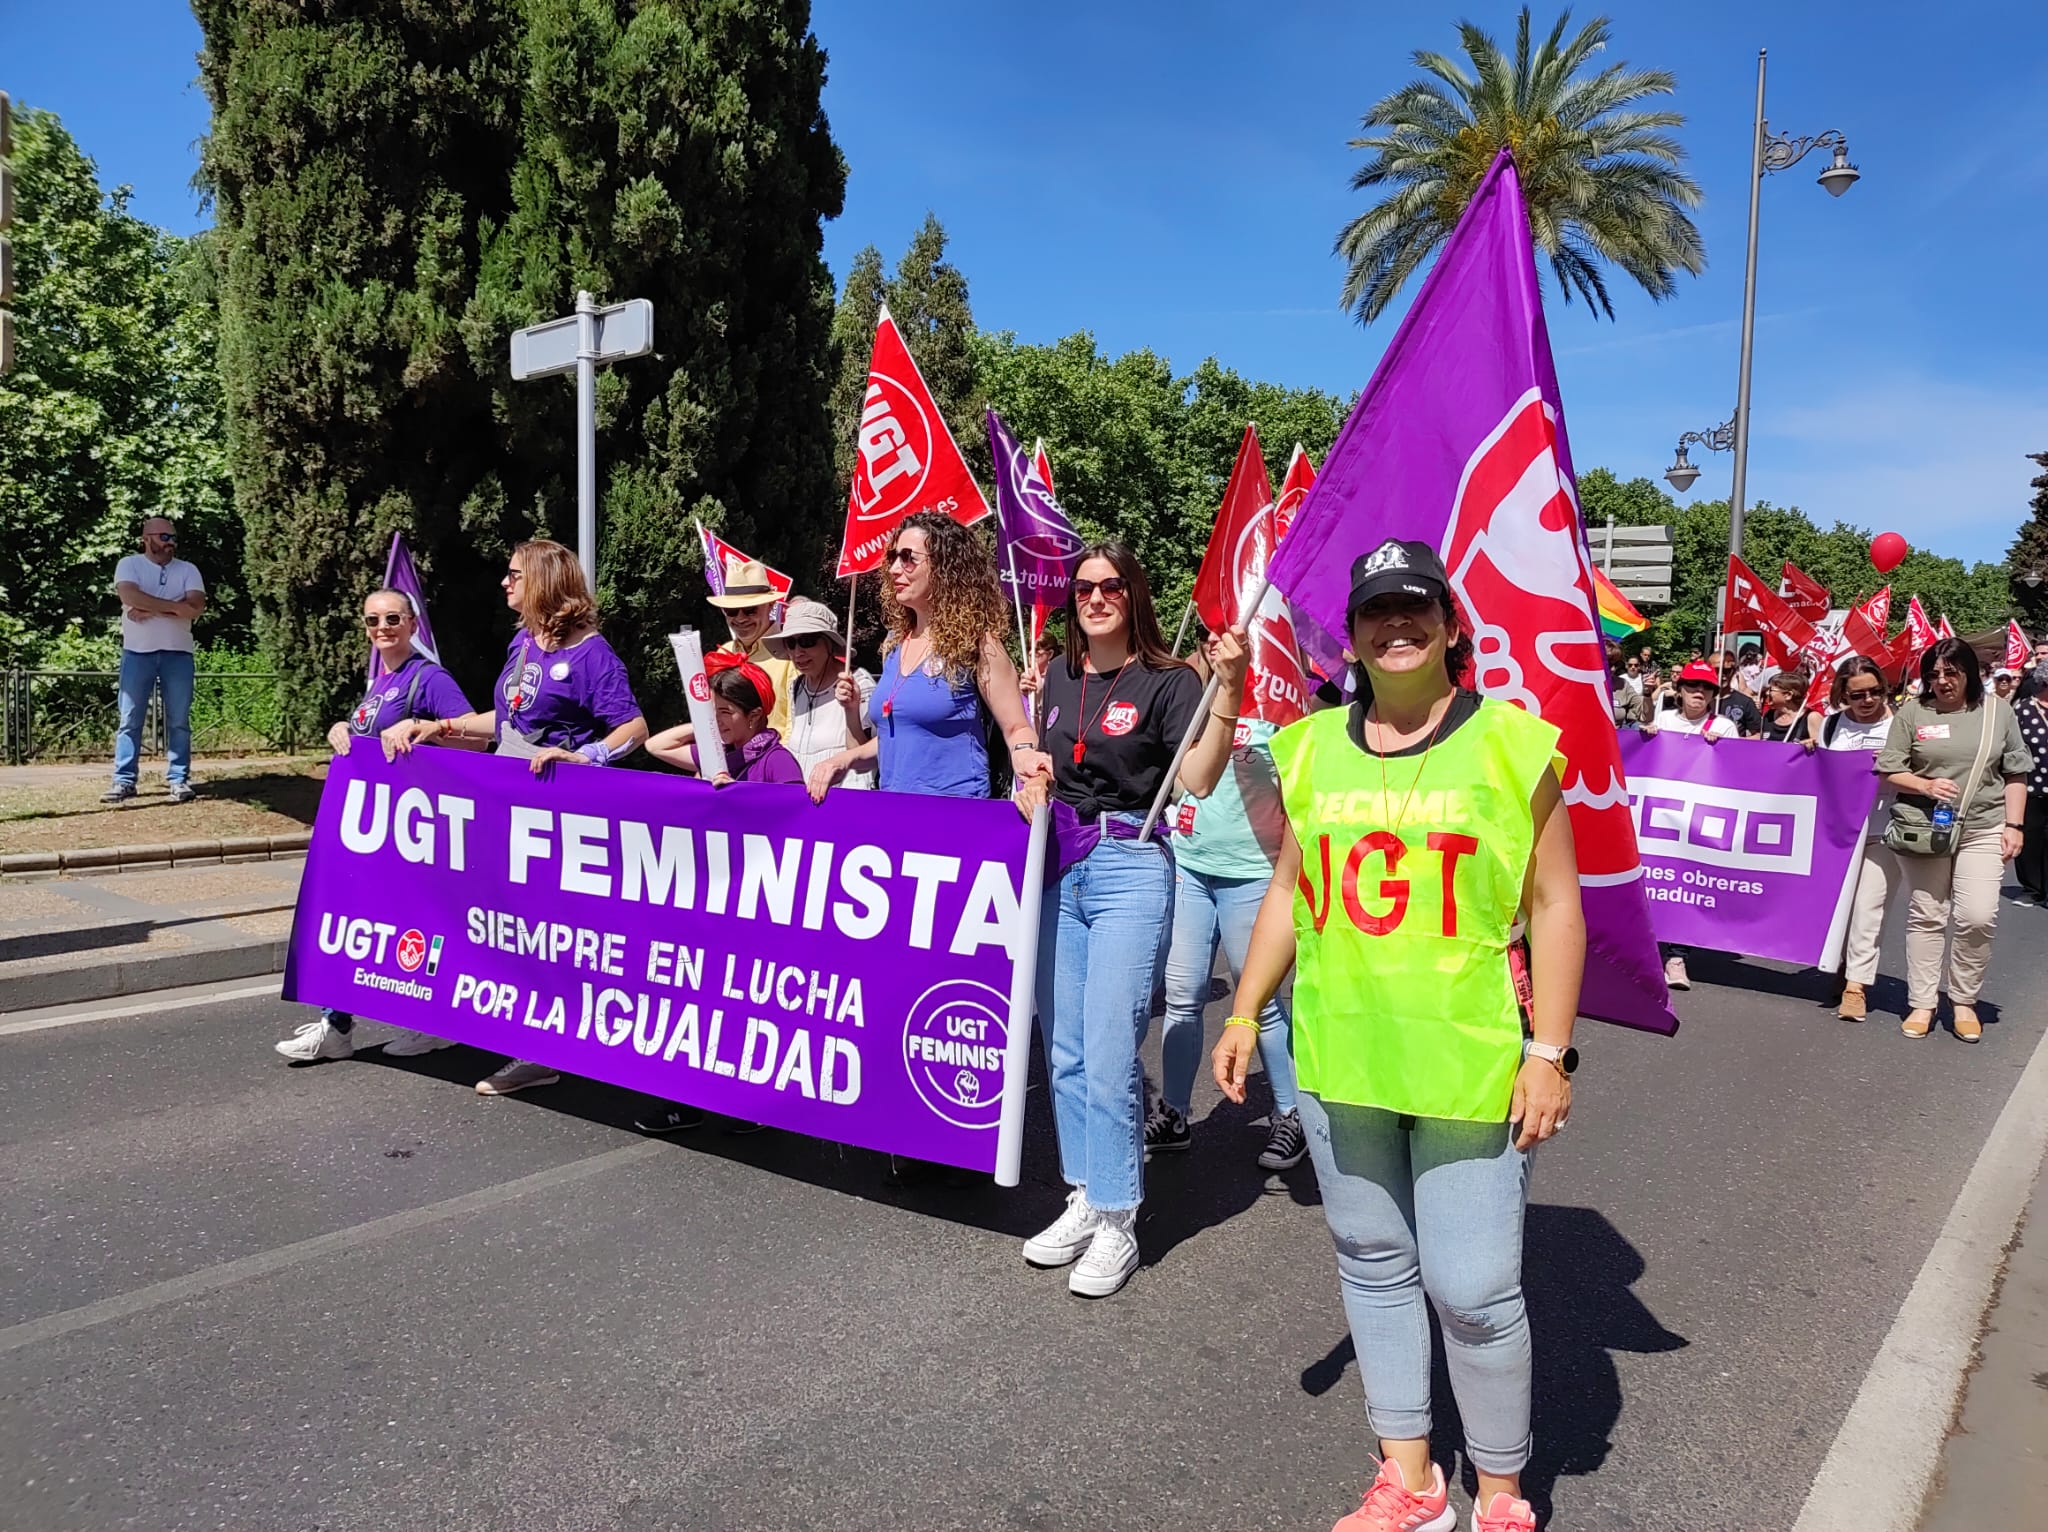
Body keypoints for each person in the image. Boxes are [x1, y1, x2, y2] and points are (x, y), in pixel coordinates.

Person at [1215, 539, 1581, 1532]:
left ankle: (1500, 1489)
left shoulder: (1512, 742)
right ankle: (1410, 1478)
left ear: (1451, 623)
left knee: (1471, 1283)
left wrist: (1546, 1052)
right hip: (1343, 1050)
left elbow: (1552, 904)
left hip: (1469, 1055)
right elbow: (1289, 890)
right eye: (1376, 609)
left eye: (1415, 605)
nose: (1396, 624)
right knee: (1372, 1257)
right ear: (1354, 633)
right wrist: (1246, 1007)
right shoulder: (1306, 748)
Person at [1013, 542, 1247, 1299]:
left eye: (1112, 586)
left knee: (1113, 1048)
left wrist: (1230, 689)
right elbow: (1043, 762)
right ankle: (1085, 1192)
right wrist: (1030, 774)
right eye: (1084, 588)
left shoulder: (1170, 679)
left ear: (1134, 595)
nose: (1097, 597)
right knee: (1068, 1052)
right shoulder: (1053, 675)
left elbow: (1202, 778)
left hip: (1130, 864)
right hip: (1060, 864)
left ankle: (1119, 1217)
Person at [388, 539, 649, 1094]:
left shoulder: (591, 653)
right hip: (509, 813)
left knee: (549, 932)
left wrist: (586, 755)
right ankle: (525, 1034)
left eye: (514, 575)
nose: (505, 584)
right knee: (508, 927)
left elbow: (633, 729)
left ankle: (544, 1051)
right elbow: (507, 724)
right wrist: (442, 728)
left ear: (545, 581)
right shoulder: (522, 644)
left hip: (561, 818)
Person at [277, 588, 478, 1062]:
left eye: (392, 618)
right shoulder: (380, 682)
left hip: (417, 827)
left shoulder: (428, 678)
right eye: (372, 620)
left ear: (412, 624)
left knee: (416, 923)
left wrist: (422, 730)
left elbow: (472, 738)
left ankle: (430, 1021)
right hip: (374, 828)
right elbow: (367, 741)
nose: (382, 628)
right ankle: (336, 1025)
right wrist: (341, 730)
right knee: (353, 919)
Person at [1151, 629, 1303, 1172]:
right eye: (1210, 637)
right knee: (1183, 993)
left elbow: (1304, 795)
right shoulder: (1189, 690)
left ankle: (1291, 1114)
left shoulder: (1283, 701)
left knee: (1257, 998)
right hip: (1192, 866)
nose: (1218, 646)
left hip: (1254, 874)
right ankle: (1173, 1111)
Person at [808, 512, 1046, 801]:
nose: (895, 568)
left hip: (956, 819)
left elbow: (1017, 727)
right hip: (894, 817)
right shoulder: (894, 645)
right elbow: (894, 741)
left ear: (945, 568)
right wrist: (844, 760)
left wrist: (1028, 763)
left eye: (908, 557)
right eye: (893, 557)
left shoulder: (979, 645)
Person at [1875, 638, 2031, 1042]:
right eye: (1934, 674)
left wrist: (2014, 825)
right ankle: (1923, 1002)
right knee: (1927, 914)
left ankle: (1964, 999)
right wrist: (1924, 786)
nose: (1942, 681)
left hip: (1983, 825)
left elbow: (2016, 772)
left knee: (1977, 916)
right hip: (1926, 828)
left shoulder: (1998, 712)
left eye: (1951, 672)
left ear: (1970, 673)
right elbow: (1888, 771)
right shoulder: (1912, 712)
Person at [105, 516, 207, 804]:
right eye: (164, 537)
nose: (170, 543)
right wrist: (175, 607)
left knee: (179, 720)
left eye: (173, 538)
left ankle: (179, 779)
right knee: (130, 719)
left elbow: (196, 607)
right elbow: (128, 593)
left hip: (179, 653)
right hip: (137, 653)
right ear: (146, 538)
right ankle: (124, 781)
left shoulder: (188, 569)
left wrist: (149, 608)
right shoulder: (129, 564)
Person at [1644, 660, 1732, 991]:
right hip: (1661, 815)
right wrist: (1646, 736)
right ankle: (1648, 952)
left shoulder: (1723, 726)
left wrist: (1723, 750)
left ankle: (1676, 957)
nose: (1699, 693)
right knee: (1655, 883)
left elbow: (1739, 772)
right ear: (1679, 690)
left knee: (1686, 886)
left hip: (1699, 821)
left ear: (1713, 694)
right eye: (1693, 686)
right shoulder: (1664, 719)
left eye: (1706, 688)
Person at [1825, 658, 1898, 1021]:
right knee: (1838, 907)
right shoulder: (1830, 725)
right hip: (1836, 833)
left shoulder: (1901, 724)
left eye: (1875, 691)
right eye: (1858, 695)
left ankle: (1856, 987)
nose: (1867, 700)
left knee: (1869, 908)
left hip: (1883, 829)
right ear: (1844, 695)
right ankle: (1840, 961)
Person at [770, 597, 875, 789]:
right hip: (804, 799)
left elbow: (866, 761)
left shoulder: (857, 682)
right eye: (790, 643)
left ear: (829, 644)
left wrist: (851, 710)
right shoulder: (797, 687)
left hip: (843, 802)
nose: (798, 652)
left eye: (807, 641)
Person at [709, 557, 795, 733]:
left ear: (770, 605)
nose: (740, 618)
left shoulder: (792, 654)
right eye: (731, 611)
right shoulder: (722, 652)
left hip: (774, 756)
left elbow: (795, 723)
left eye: (750, 610)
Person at [2012, 674, 2048, 905]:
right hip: (2031, 784)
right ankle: (2033, 888)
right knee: (2031, 838)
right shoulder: (2023, 710)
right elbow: (2011, 745)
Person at [1757, 669, 1814, 744]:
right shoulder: (1768, 716)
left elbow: (1821, 749)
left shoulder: (1810, 717)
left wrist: (1809, 745)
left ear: (1788, 695)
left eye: (1771, 690)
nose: (1767, 693)